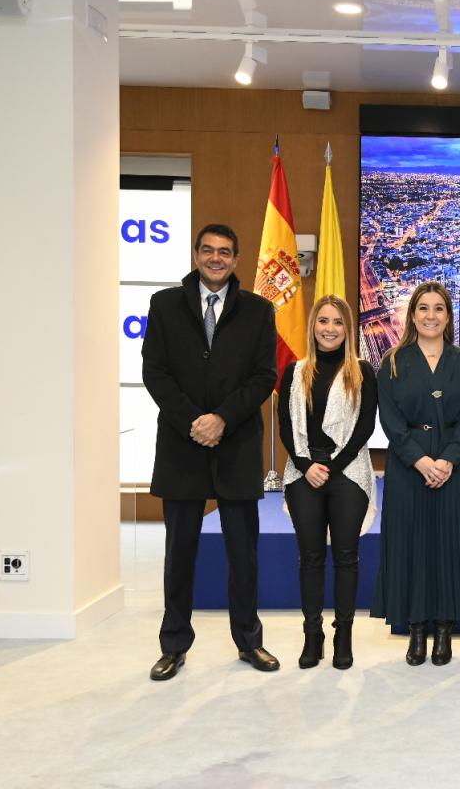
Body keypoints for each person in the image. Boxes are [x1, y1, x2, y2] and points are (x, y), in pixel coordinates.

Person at [141, 223, 279, 681]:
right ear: (195, 254)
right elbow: (155, 372)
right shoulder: (164, 305)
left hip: (236, 444)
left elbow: (263, 377)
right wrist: (192, 422)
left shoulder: (259, 310)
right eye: (208, 250)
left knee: (244, 553)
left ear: (236, 259)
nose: (216, 258)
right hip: (182, 446)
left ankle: (249, 641)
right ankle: (173, 645)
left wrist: (222, 418)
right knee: (179, 552)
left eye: (225, 252)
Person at [370, 281, 460, 667]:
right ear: (412, 315)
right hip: (409, 467)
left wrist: (449, 459)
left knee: (450, 544)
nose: (431, 316)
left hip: (454, 465)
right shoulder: (391, 360)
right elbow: (390, 420)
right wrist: (421, 462)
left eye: (439, 309)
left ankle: (444, 629)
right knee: (413, 544)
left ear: (449, 317)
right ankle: (416, 628)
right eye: (424, 308)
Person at [278, 295, 377, 670]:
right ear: (313, 326)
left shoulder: (363, 371)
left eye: (338, 322)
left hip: (348, 473)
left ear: (347, 329)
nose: (330, 328)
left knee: (347, 558)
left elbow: (365, 426)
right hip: (303, 473)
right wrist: (306, 465)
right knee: (310, 558)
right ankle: (312, 634)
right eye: (323, 321)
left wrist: (331, 467)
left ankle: (343, 636)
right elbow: (286, 426)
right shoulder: (294, 371)